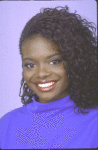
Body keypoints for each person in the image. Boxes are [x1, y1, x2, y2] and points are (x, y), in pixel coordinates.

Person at [0, 6, 97, 149]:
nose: (41, 73)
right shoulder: (6, 124)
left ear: (75, 62)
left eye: (54, 61)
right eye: (30, 64)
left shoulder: (94, 122)